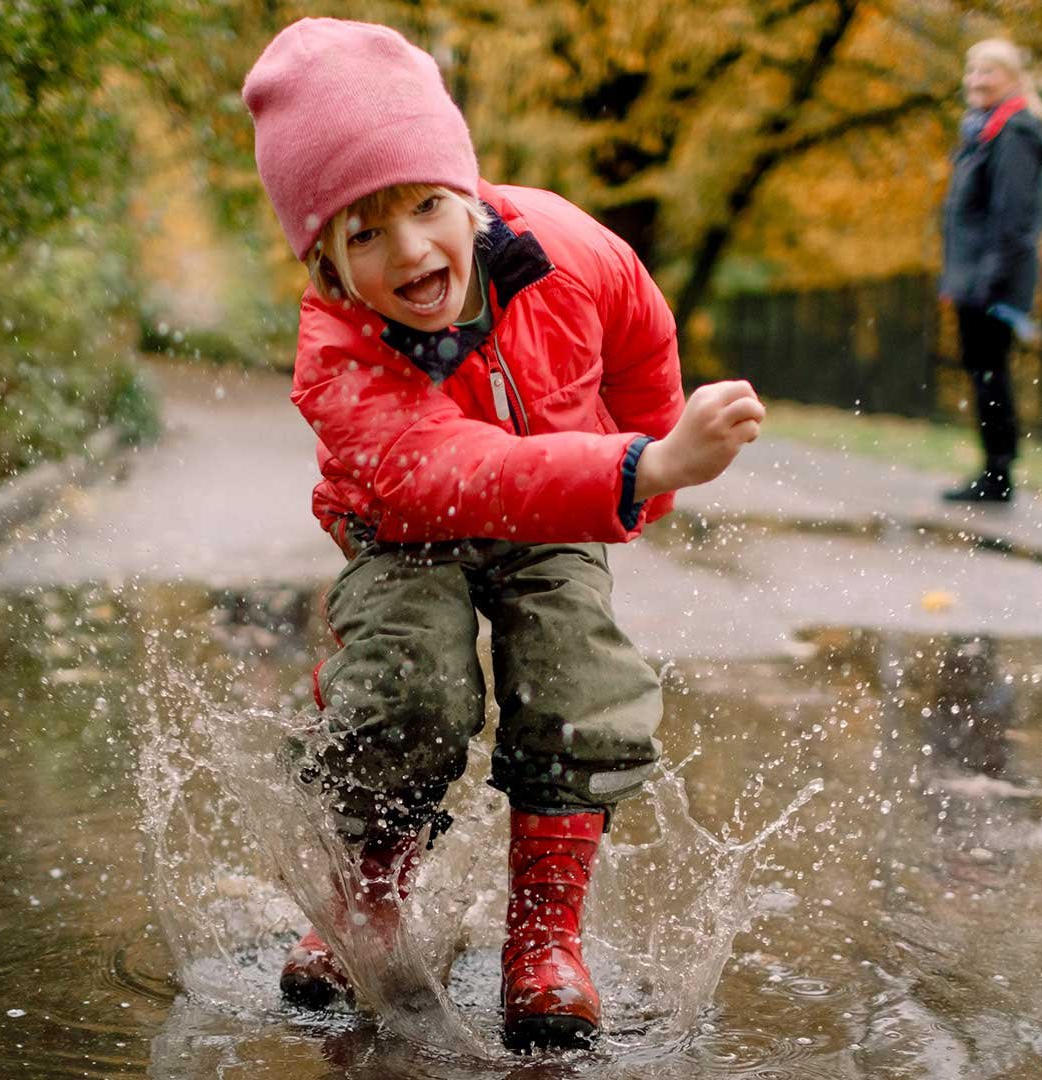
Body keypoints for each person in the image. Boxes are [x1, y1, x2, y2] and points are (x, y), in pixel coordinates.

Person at [240, 17, 765, 1051]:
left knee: (578, 676)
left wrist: (649, 459)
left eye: (426, 206)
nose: (410, 251)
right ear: (326, 262)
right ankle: (367, 896)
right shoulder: (335, 345)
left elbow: (641, 336)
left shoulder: (568, 249)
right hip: (406, 526)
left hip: (563, 499)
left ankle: (545, 935)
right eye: (363, 234)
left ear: (465, 189)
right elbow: (447, 471)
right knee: (407, 686)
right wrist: (642, 469)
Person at [938, 38, 1042, 504]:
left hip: (992, 281)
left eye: (988, 71)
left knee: (990, 372)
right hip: (975, 277)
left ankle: (999, 473)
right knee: (983, 370)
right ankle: (995, 469)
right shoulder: (985, 131)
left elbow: (1013, 217)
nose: (977, 80)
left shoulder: (1015, 133)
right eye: (973, 70)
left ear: (1013, 79)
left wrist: (988, 282)